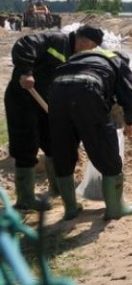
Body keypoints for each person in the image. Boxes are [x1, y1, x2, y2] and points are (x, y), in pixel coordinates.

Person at [48, 26, 132, 220]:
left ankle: (71, 209)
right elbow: (130, 97)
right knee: (107, 153)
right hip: (87, 91)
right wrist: (130, 122)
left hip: (57, 91)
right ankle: (115, 209)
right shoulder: (117, 61)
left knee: (63, 152)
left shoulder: (75, 58)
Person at [4, 28, 77, 210]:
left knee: (54, 142)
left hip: (45, 101)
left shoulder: (73, 55)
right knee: (26, 146)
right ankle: (25, 199)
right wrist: (26, 71)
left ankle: (58, 189)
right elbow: (25, 44)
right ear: (84, 41)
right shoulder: (57, 39)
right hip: (23, 99)